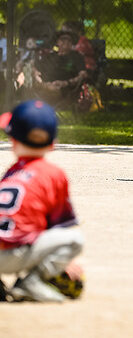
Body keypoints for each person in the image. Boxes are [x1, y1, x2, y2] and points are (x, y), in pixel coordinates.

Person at [0, 100, 84, 302]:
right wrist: (64, 263)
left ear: (13, 141)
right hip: (15, 256)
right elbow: (60, 226)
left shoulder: (11, 174)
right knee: (74, 240)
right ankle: (31, 282)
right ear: (53, 143)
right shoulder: (54, 175)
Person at [33, 29, 88, 105]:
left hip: (65, 90)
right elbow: (35, 69)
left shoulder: (76, 57)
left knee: (53, 90)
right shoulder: (49, 57)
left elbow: (83, 75)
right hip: (45, 86)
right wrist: (42, 82)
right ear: (57, 42)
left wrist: (66, 83)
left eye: (70, 40)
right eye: (63, 39)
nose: (67, 41)